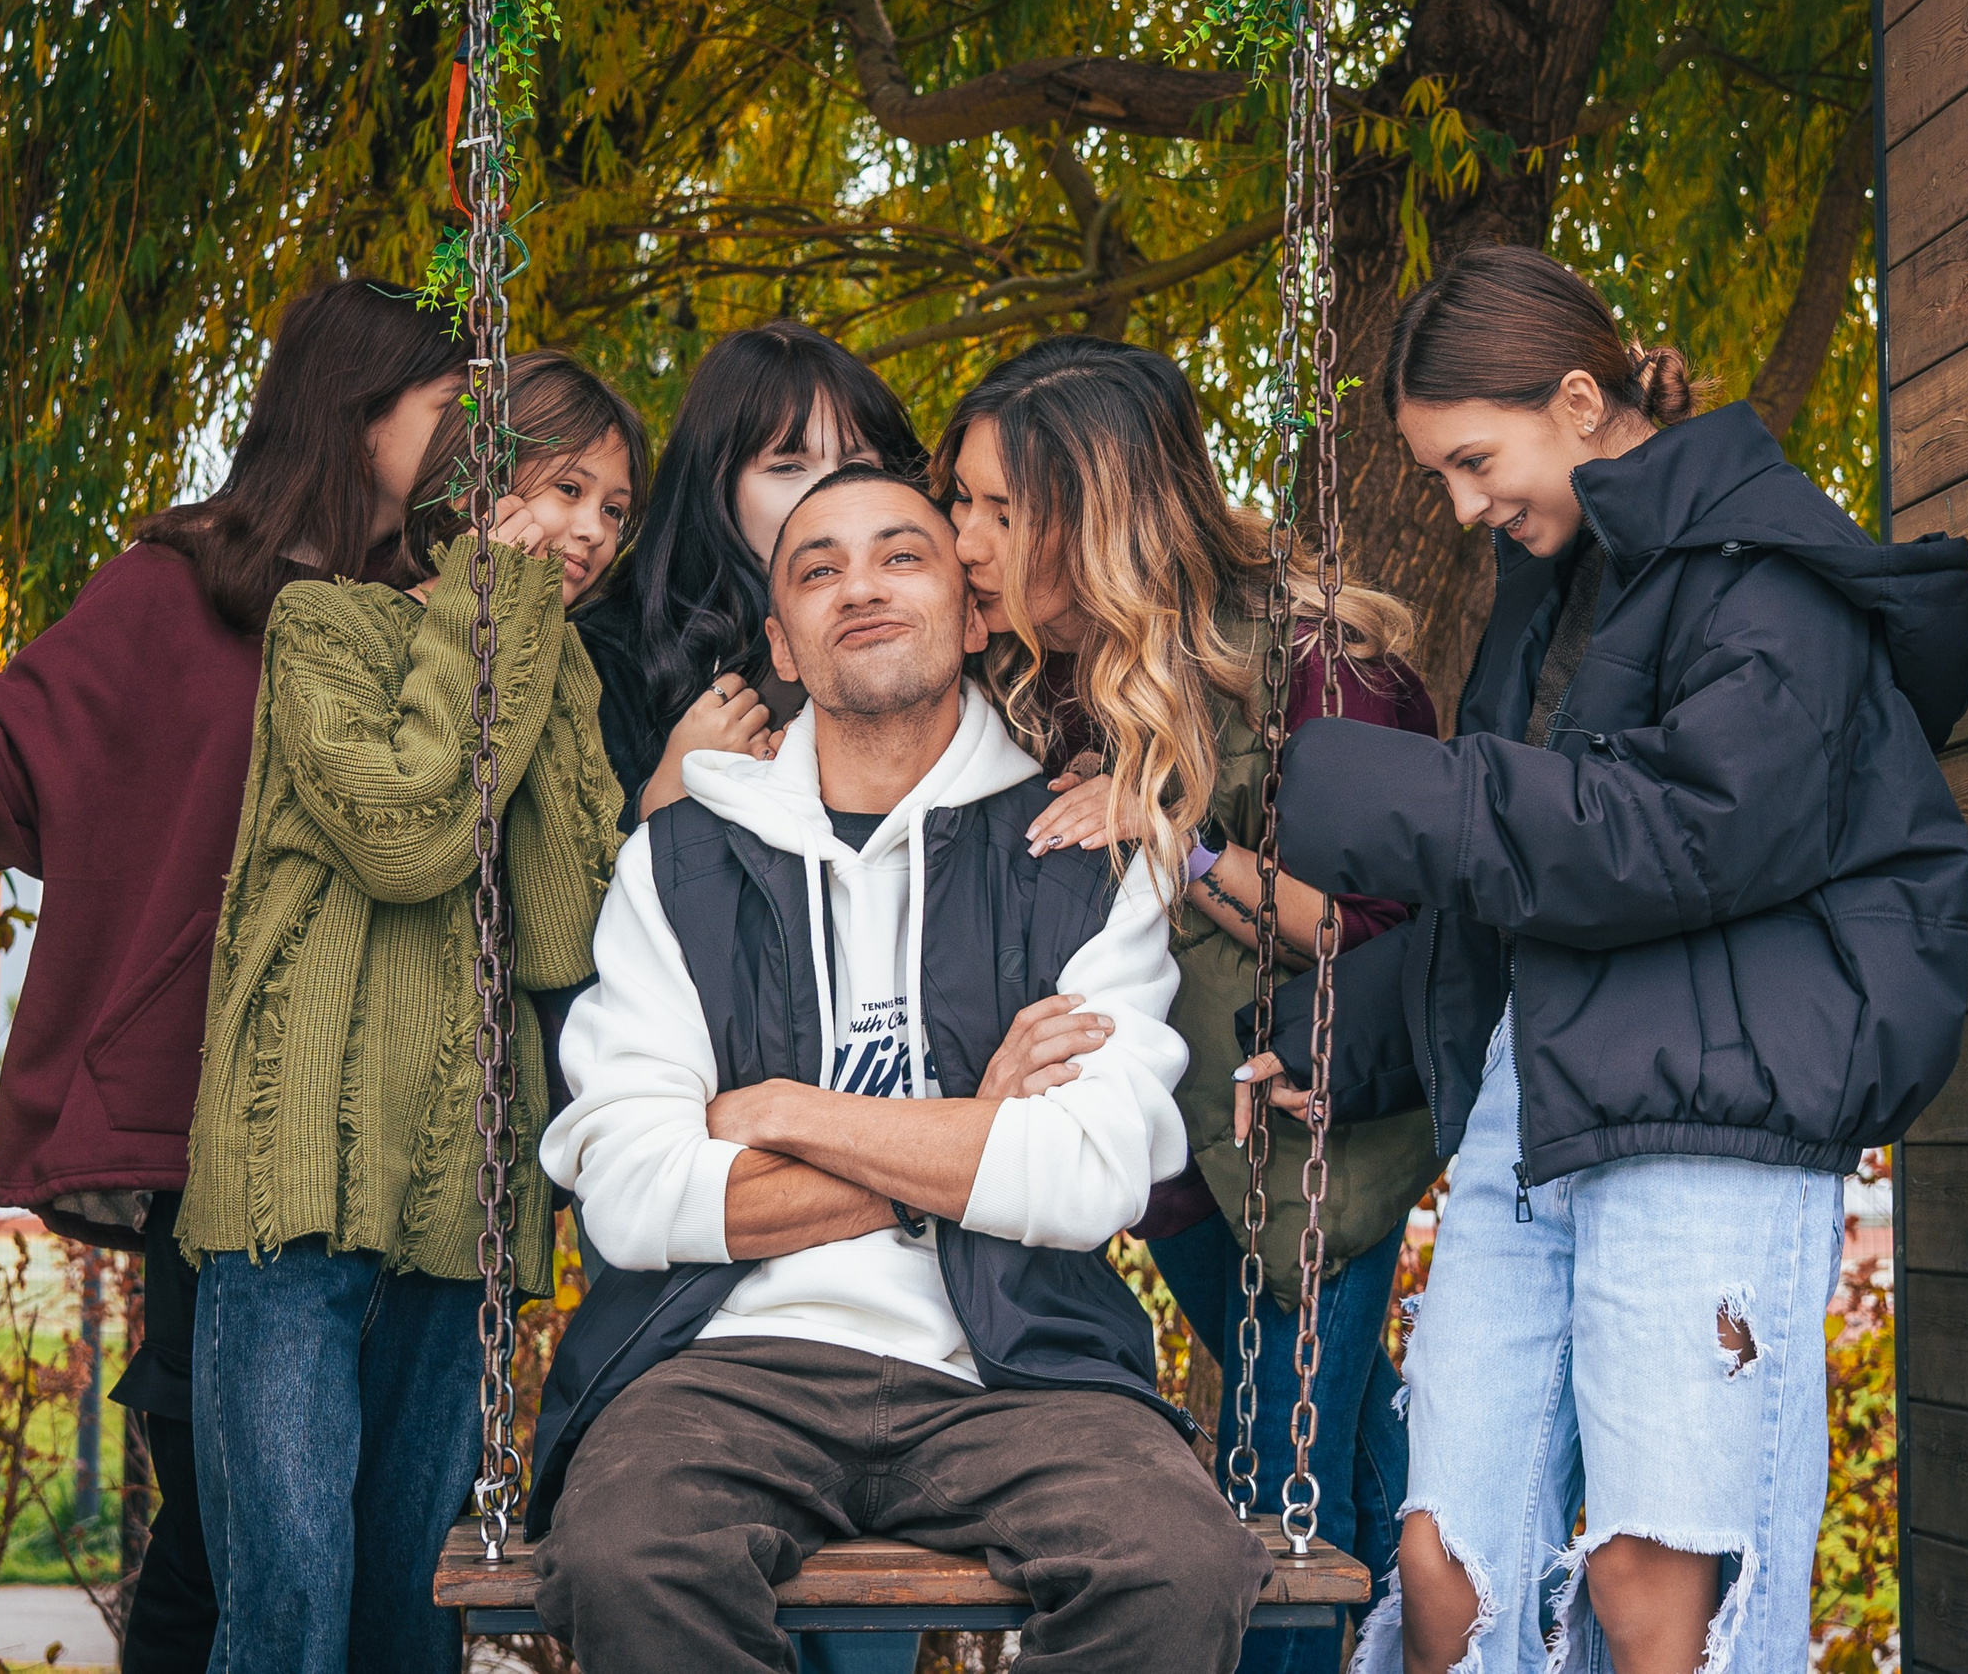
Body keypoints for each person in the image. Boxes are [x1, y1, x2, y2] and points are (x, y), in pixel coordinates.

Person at [1244, 244, 1968, 1674]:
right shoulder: (1552, 589)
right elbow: (1526, 900)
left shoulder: (1769, 573)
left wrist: (1378, 792)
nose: (1464, 506)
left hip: (1716, 1113)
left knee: (1657, 1588)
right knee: (1447, 1569)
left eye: (1473, 459)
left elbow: (1690, 828)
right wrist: (1349, 1038)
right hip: (1540, 1113)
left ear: (1579, 398)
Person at [0, 277, 480, 1673]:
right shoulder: (178, 597)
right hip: (222, 1139)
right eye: (453, 409)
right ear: (358, 411)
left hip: (409, 1147)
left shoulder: (458, 619)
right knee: (226, 1553)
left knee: (391, 1569)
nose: (484, 445)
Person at [533, 463, 1273, 1672]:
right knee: (625, 1559)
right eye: (817, 570)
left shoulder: (1079, 851)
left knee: (1177, 1569)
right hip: (724, 1365)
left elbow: (1089, 1177)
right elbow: (628, 1192)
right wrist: (969, 1129)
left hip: (1021, 1364)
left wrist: (779, 1115)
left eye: (901, 557)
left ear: (974, 613)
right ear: (781, 638)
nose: (859, 588)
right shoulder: (678, 865)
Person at [936, 335, 1440, 1674]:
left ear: (1095, 509)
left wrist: (1181, 839)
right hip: (1172, 1167)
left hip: (1307, 1141)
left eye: (1000, 508)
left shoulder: (1319, 667)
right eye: (963, 500)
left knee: (1279, 1495)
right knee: (1356, 1447)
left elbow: (1386, 935)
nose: (966, 537)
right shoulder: (1036, 679)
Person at [176, 351, 638, 1674]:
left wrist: (535, 648)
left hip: (463, 1209)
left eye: (614, 509)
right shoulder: (326, 628)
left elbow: (560, 930)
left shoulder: (559, 668)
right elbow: (406, 833)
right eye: (568, 490)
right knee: (290, 1618)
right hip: (292, 1194)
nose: (593, 533)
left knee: (402, 1624)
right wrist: (496, 613)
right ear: (479, 484)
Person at [572, 319, 928, 823]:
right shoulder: (607, 658)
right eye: (787, 467)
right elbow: (564, 882)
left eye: (854, 466)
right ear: (716, 487)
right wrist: (664, 794)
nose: (829, 495)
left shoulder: (933, 622)